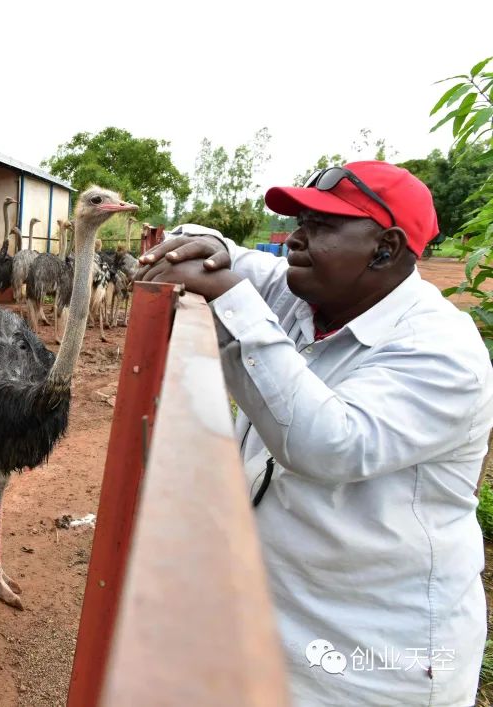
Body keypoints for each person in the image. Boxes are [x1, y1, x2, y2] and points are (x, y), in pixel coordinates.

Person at [136, 161, 493, 706]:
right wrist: (204, 242)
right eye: (301, 220)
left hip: (373, 666)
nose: (296, 240)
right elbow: (221, 254)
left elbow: (329, 442)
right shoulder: (310, 297)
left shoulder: (444, 352)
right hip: (277, 626)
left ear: (386, 249)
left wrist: (230, 299)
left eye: (322, 226)